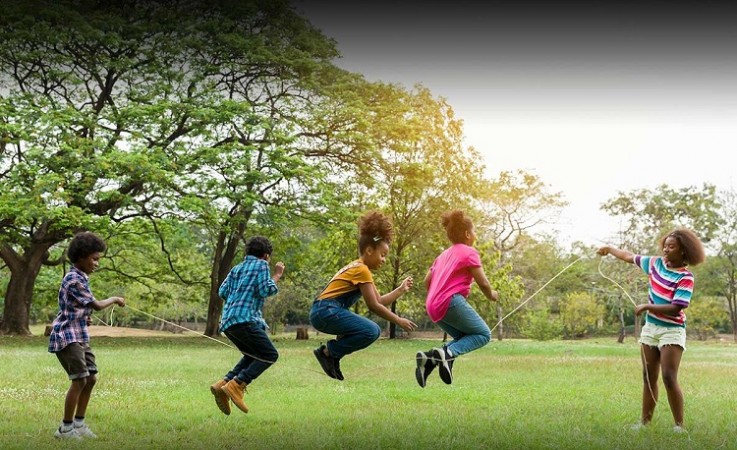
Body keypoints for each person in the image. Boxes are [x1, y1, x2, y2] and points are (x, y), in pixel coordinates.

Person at [597, 228, 705, 432]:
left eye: (671, 246)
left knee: (668, 376)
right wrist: (610, 249)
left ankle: (679, 426)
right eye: (665, 245)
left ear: (683, 251)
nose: (666, 249)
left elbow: (676, 308)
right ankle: (644, 422)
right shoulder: (655, 264)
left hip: (671, 330)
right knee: (648, 376)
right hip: (651, 329)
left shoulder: (686, 277)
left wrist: (647, 307)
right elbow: (629, 256)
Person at [310, 211, 417, 380]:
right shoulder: (361, 270)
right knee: (371, 331)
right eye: (382, 255)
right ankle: (329, 352)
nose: (383, 260)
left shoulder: (359, 268)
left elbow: (379, 300)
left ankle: (332, 356)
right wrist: (398, 320)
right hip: (326, 310)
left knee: (367, 330)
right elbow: (374, 306)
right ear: (369, 250)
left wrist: (400, 290)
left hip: (322, 311)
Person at [48, 232, 126, 439]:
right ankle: (65, 429)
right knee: (79, 380)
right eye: (94, 259)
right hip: (67, 337)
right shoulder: (74, 279)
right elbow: (97, 305)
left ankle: (79, 424)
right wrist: (115, 298)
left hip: (80, 334)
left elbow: (77, 307)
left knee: (90, 378)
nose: (96, 263)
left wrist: (84, 317)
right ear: (81, 257)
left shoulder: (82, 277)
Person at [415, 210, 499, 388]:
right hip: (450, 301)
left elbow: (426, 281)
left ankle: (429, 359)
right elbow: (483, 283)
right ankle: (448, 354)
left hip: (433, 306)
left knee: (464, 337)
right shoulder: (469, 252)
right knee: (483, 334)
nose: (475, 235)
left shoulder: (443, 255)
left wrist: (438, 295)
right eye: (474, 231)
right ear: (468, 234)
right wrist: (492, 294)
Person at [209, 236, 285, 415]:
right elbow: (265, 289)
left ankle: (223, 385)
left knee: (252, 355)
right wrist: (277, 275)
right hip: (245, 320)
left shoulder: (237, 268)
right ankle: (236, 385)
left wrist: (239, 297)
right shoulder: (261, 266)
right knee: (269, 354)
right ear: (266, 256)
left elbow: (222, 291)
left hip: (228, 322)